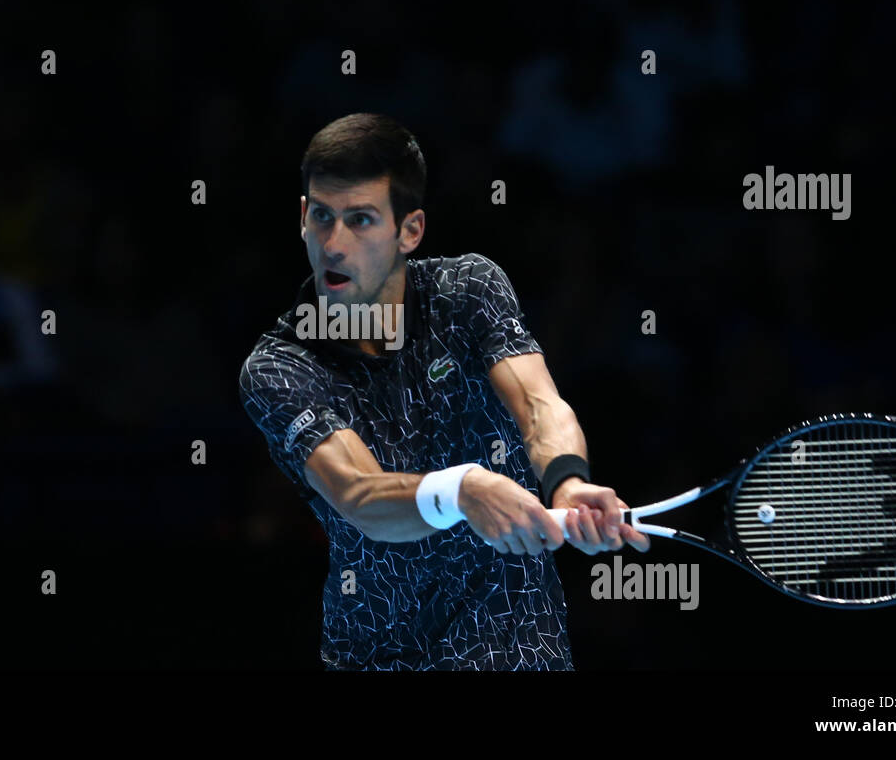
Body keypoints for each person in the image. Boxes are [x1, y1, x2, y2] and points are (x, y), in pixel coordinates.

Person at [239, 112, 649, 671]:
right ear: (304, 218)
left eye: (360, 220)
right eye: (323, 218)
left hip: (517, 642)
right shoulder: (280, 366)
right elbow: (359, 494)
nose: (333, 244)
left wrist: (568, 480)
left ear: (410, 230)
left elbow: (538, 405)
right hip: (379, 656)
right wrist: (461, 489)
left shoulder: (467, 290)